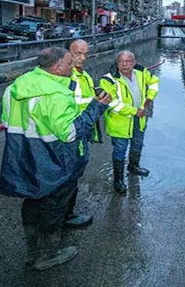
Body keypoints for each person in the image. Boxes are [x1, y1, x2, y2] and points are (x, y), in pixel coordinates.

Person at [0, 47, 110, 271]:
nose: (74, 66)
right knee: (54, 207)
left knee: (32, 202)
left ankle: (32, 252)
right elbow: (69, 133)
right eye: (70, 63)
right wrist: (96, 108)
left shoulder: (15, 87)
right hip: (54, 161)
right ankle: (47, 255)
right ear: (58, 67)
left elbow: (6, 121)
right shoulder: (57, 95)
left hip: (24, 157)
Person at [98, 51, 160, 194]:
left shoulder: (141, 72)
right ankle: (118, 180)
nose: (124, 64)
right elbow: (111, 102)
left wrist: (149, 98)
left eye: (128, 61)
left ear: (134, 62)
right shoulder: (108, 80)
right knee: (120, 149)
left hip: (139, 119)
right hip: (120, 122)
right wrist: (133, 111)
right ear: (117, 62)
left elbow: (154, 83)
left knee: (137, 144)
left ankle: (133, 166)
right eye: (121, 61)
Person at [59, 38, 100, 229]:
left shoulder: (85, 76)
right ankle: (64, 217)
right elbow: (70, 106)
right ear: (67, 53)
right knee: (67, 178)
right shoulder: (66, 76)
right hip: (69, 135)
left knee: (73, 176)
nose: (82, 58)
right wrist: (97, 104)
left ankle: (67, 212)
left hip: (80, 133)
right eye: (77, 53)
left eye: (85, 53)